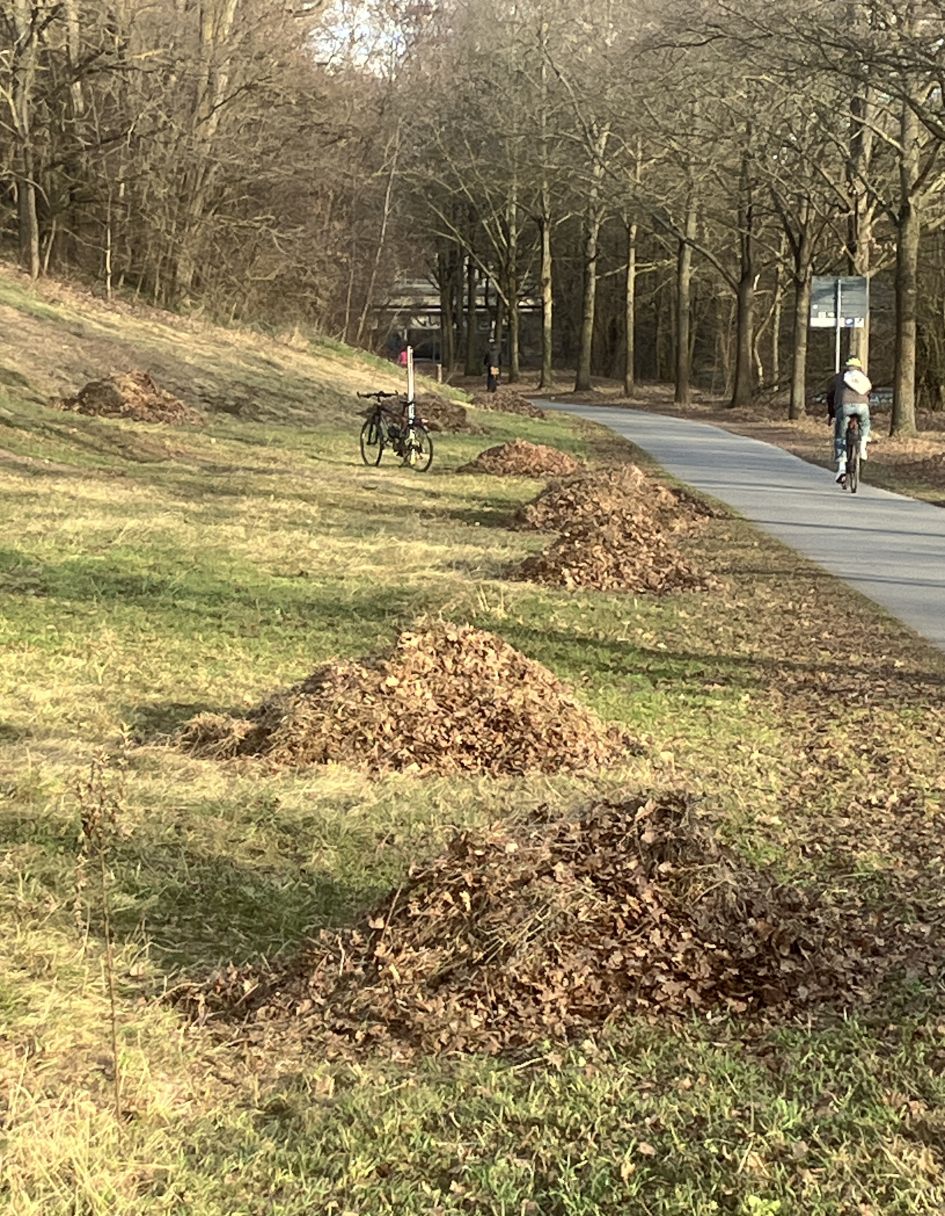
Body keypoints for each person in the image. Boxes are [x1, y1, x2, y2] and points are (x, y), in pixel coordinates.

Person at [826, 355, 872, 486]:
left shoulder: (839, 377)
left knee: (840, 436)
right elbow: (869, 393)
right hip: (862, 407)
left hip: (844, 406)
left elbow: (831, 396)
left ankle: (841, 468)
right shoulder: (863, 376)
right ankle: (863, 445)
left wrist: (831, 414)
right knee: (865, 422)